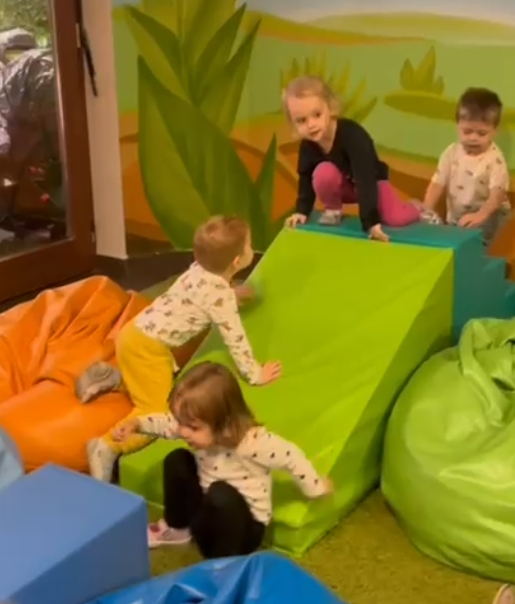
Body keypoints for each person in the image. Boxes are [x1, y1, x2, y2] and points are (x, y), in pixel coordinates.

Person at [85, 216, 282, 482]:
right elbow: (235, 340)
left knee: (147, 378)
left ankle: (113, 378)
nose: (250, 248)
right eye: (249, 246)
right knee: (160, 413)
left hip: (132, 334)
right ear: (237, 261)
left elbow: (201, 293)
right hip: (149, 350)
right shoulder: (220, 297)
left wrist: (232, 295)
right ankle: (107, 446)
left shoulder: (198, 269)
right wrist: (255, 374)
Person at [112, 361, 332, 558]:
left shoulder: (252, 443)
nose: (183, 432)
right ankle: (177, 530)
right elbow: (165, 423)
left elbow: (291, 455)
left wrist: (316, 487)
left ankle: (225, 562)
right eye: (181, 423)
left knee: (221, 494)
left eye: (193, 427)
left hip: (243, 531)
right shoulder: (199, 426)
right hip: (209, 511)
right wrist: (137, 424)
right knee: (177, 460)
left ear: (224, 422)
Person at [282, 75, 440, 243]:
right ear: (293, 123)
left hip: (371, 182)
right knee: (323, 173)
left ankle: (417, 209)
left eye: (317, 115)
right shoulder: (308, 145)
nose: (311, 125)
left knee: (394, 219)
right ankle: (333, 210)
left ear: (330, 108)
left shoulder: (353, 136)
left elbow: (366, 179)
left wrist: (370, 223)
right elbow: (305, 179)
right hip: (345, 186)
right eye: (301, 120)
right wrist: (301, 212)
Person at [423, 87, 511, 247]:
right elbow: (437, 184)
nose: (473, 138)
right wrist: (426, 209)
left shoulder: (495, 159)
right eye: (467, 131)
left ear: (494, 131)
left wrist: (480, 215)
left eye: (482, 133)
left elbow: (496, 197)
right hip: (458, 220)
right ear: (458, 125)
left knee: (488, 228)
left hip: (489, 216)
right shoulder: (451, 153)